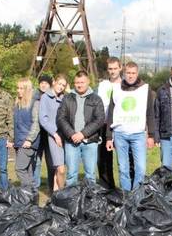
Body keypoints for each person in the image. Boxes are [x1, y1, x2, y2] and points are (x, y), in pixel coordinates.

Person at [106, 62, 156, 191]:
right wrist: (108, 137)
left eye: (133, 73)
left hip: (138, 134)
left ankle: (136, 196)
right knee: (123, 169)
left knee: (140, 168)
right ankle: (126, 196)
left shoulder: (145, 89)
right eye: (128, 73)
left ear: (137, 73)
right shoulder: (116, 88)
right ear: (124, 73)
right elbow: (111, 113)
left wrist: (151, 135)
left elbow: (150, 113)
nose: (130, 76)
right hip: (120, 134)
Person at [57, 70, 106, 186]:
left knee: (90, 175)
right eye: (77, 82)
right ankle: (71, 201)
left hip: (90, 142)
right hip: (71, 142)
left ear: (88, 82)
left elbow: (99, 120)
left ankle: (90, 201)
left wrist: (83, 134)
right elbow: (61, 118)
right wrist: (72, 134)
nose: (79, 85)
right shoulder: (67, 98)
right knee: (71, 175)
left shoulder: (96, 99)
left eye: (82, 82)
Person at [38, 74, 69, 192]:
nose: (61, 87)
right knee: (61, 169)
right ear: (54, 82)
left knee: (59, 169)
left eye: (63, 86)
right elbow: (43, 119)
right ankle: (62, 193)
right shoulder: (46, 97)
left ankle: (55, 195)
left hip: (65, 135)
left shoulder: (64, 98)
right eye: (60, 84)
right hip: (54, 136)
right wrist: (55, 134)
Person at [95, 57, 122, 189]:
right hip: (104, 125)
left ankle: (126, 187)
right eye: (110, 69)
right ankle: (107, 186)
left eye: (115, 68)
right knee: (104, 158)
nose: (112, 71)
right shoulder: (102, 85)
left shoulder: (124, 85)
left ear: (120, 68)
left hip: (120, 126)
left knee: (123, 159)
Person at [14, 78, 41, 187]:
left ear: (27, 90)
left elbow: (36, 123)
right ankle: (31, 198)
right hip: (19, 141)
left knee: (19, 169)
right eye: (18, 88)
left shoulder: (34, 103)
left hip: (27, 143)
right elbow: (16, 124)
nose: (18, 90)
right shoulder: (18, 104)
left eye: (21, 88)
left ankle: (30, 192)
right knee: (28, 171)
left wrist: (29, 139)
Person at [32, 74, 53, 188]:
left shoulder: (53, 97)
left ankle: (52, 186)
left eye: (46, 83)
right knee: (37, 161)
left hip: (50, 134)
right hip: (38, 134)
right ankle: (35, 185)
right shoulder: (34, 97)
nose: (44, 85)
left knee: (51, 162)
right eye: (42, 83)